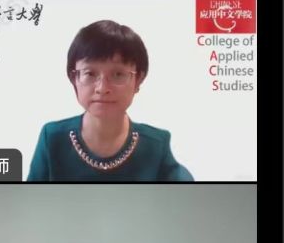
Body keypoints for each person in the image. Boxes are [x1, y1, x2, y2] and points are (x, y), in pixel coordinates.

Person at [28, 20, 188, 181]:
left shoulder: (156, 145)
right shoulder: (53, 138)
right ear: (74, 78)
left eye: (118, 74)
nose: (102, 88)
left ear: (138, 80)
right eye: (90, 73)